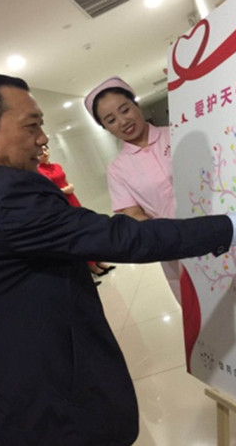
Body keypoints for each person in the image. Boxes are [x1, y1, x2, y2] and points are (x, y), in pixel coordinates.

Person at [0, 73, 236, 446]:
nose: (43, 139)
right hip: (29, 404)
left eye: (124, 109)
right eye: (31, 126)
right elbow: (123, 235)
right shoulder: (4, 193)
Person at [84, 76, 181, 302]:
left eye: (125, 109)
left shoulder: (176, 133)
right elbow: (133, 215)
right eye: (111, 120)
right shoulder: (118, 169)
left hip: (219, 224)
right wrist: (167, 238)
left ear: (136, 104)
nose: (123, 121)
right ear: (105, 128)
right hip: (175, 247)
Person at [37, 144, 115, 279]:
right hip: (61, 202)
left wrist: (70, 186)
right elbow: (46, 190)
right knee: (76, 234)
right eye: (40, 151)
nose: (44, 153)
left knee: (85, 229)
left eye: (45, 149)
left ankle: (98, 260)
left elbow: (66, 180)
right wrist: (63, 191)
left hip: (72, 198)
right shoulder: (38, 170)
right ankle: (91, 265)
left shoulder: (56, 166)